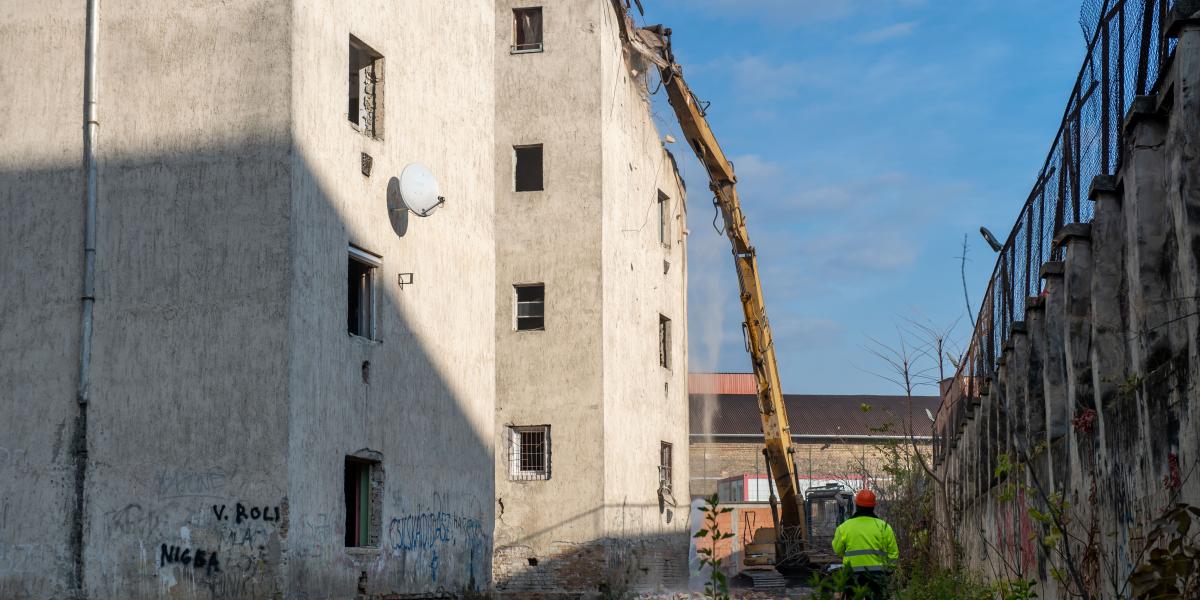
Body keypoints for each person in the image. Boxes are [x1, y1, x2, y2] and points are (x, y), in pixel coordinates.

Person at [831, 489, 899, 599]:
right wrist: (888, 571)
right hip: (877, 575)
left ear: (856, 505)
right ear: (874, 506)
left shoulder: (844, 527)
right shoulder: (884, 527)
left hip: (852, 575)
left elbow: (837, 550)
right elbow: (893, 554)